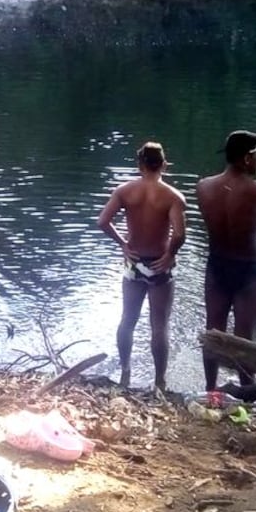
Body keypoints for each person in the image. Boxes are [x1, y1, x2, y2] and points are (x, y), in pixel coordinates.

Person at [97, 141, 187, 391]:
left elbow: (103, 221)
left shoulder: (124, 191)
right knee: (159, 325)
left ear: (140, 166)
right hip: (159, 265)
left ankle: (125, 370)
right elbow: (180, 234)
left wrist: (123, 245)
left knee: (128, 319)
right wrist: (170, 254)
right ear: (164, 165)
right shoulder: (173, 196)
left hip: (134, 262)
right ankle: (159, 381)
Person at [196, 130, 256, 391]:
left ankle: (211, 392)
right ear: (246, 158)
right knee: (246, 338)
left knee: (213, 332)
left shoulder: (203, 186)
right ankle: (246, 393)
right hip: (249, 270)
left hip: (217, 267)